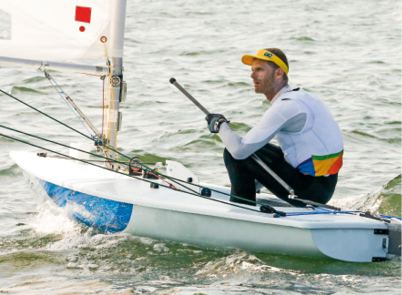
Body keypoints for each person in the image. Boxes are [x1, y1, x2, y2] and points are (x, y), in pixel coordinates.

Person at [205, 48, 344, 207]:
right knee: (253, 148)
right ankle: (250, 190)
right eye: (252, 70)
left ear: (278, 73)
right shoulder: (302, 97)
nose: (252, 75)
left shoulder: (285, 107)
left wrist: (219, 124)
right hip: (323, 186)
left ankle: (241, 207)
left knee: (233, 150)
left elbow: (238, 151)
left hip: (310, 193)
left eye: (260, 70)